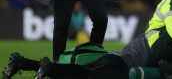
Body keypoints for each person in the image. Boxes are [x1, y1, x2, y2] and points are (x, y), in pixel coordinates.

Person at [2, 33, 155, 79]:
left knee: (76, 71)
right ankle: (50, 67)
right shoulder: (159, 49)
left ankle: (22, 62)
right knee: (86, 75)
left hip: (111, 57)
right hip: (119, 66)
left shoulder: (146, 37)